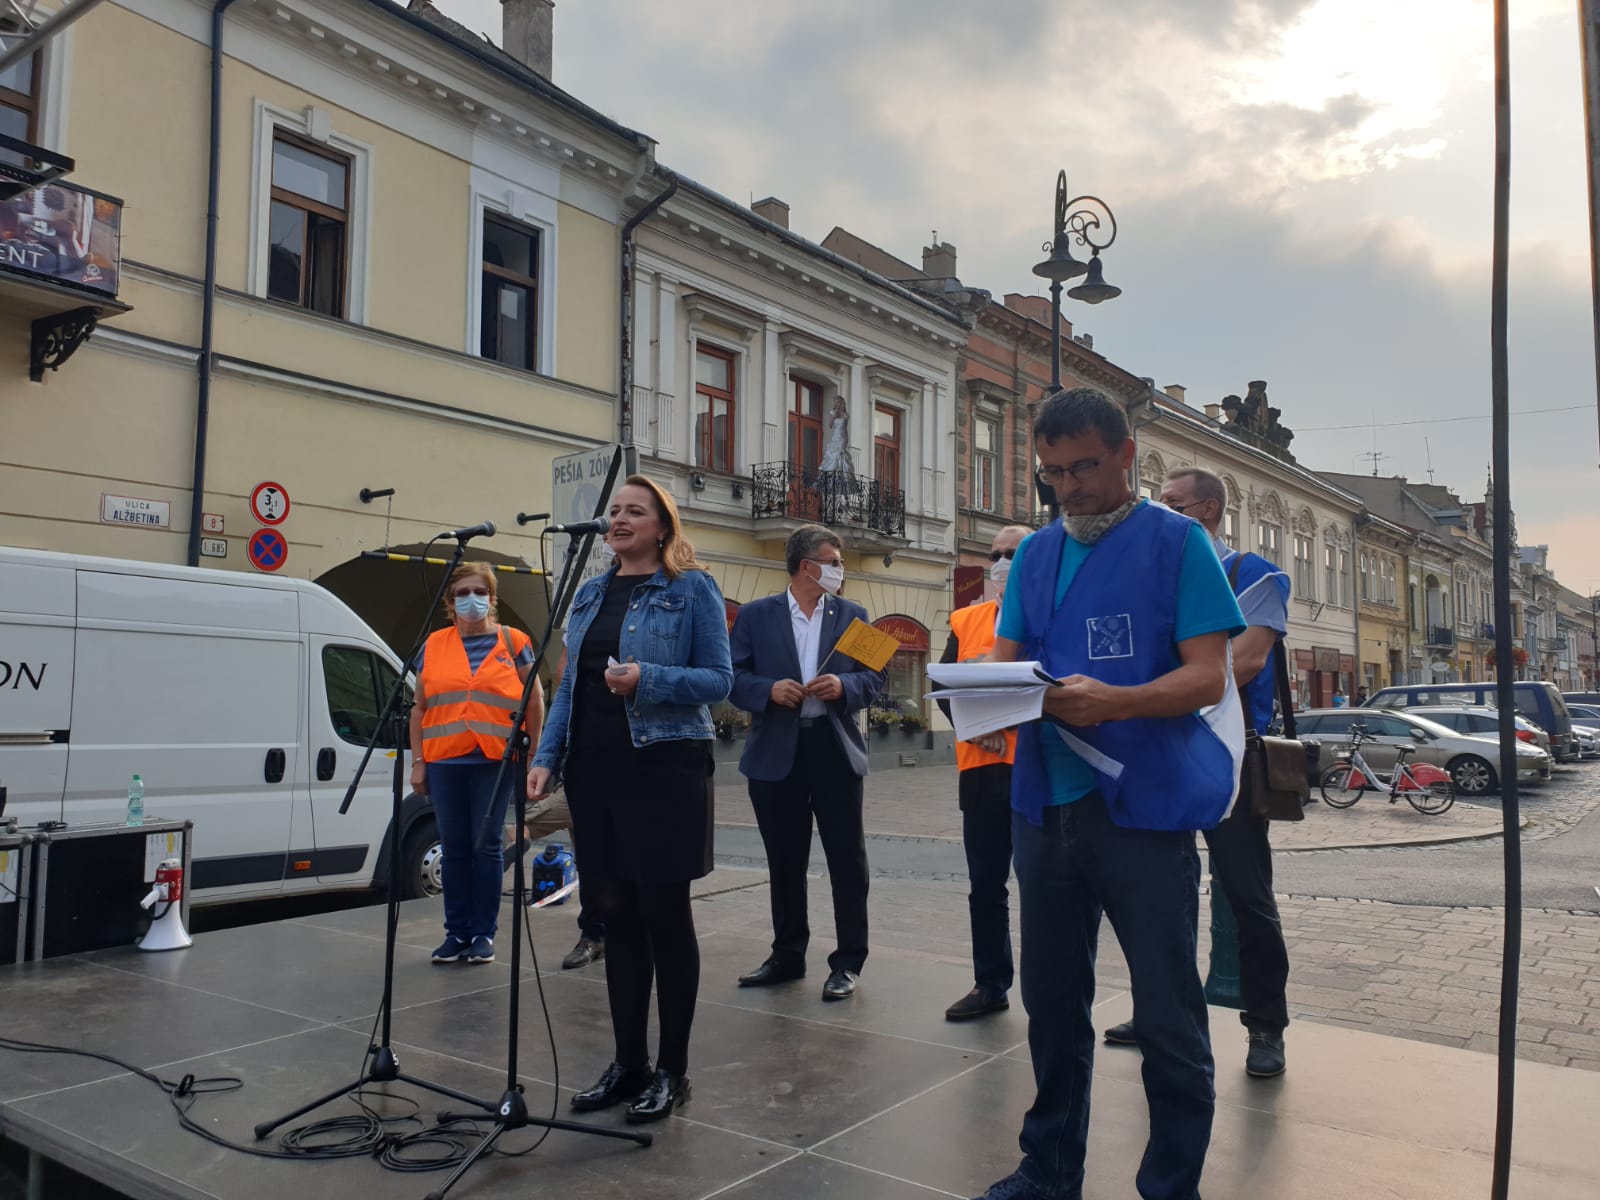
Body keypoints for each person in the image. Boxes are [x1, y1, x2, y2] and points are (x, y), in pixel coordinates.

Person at [972, 387, 1246, 1200]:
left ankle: (1171, 1185)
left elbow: (1208, 676)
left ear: (1127, 455)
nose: (1068, 488)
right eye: (1052, 473)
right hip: (1042, 804)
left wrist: (1118, 701)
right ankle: (1048, 1170)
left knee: (1167, 1012)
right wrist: (974, 693)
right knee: (1053, 1005)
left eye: (1084, 468)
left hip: (1142, 811)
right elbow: (1007, 662)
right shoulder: (1036, 554)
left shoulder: (1178, 543)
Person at [527, 476, 732, 1124]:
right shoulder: (590, 592)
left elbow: (719, 680)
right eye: (614, 510)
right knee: (614, 914)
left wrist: (649, 678)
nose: (618, 519)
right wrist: (545, 757)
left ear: (661, 526)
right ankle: (628, 1064)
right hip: (595, 770)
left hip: (664, 766)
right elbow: (567, 688)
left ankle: (673, 1070)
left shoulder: (691, 588)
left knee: (663, 913)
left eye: (634, 511)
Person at [1097, 467, 1293, 1078]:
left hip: (1227, 755)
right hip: (1163, 749)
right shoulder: (1161, 576)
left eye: (1174, 503)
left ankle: (1266, 1024)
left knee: (1246, 893)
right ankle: (1160, 1011)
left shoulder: (1253, 574)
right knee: (1156, 891)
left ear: (1209, 509)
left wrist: (1154, 690)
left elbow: (1246, 662)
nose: (1162, 510)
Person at [729, 524, 885, 1001]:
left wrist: (844, 686)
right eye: (833, 561)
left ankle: (848, 962)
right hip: (776, 752)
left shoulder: (853, 615)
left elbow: (875, 679)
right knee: (784, 860)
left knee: (847, 860)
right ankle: (787, 955)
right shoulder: (756, 615)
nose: (840, 569)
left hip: (833, 749)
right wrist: (768, 691)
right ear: (806, 566)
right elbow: (731, 677)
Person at [411, 562, 539, 966]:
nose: (471, 599)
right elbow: (419, 708)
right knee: (454, 847)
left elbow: (534, 698)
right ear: (450, 602)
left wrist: (534, 753)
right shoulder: (434, 644)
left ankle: (483, 933)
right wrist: (418, 762)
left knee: (485, 845)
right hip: (445, 760)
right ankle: (456, 933)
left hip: (494, 761)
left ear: (492, 597)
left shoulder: (513, 641)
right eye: (462, 593)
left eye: (479, 592)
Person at [935, 523, 1033, 1022]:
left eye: (1012, 553)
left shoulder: (1049, 616)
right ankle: (990, 982)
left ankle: (1047, 987)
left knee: (1042, 886)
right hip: (980, 770)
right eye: (995, 554)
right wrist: (976, 727)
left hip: (1034, 769)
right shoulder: (966, 619)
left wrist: (1002, 723)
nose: (1001, 562)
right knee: (986, 887)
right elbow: (944, 687)